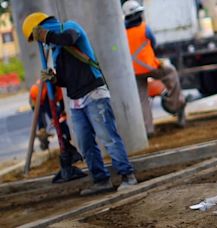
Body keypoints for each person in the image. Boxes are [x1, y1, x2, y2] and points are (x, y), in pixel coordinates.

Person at [22, 12, 138, 194]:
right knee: (85, 143)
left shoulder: (69, 27)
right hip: (76, 100)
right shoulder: (56, 50)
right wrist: (54, 79)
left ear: (43, 28)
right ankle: (101, 180)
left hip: (94, 93)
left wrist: (48, 35)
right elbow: (67, 79)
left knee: (108, 137)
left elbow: (69, 39)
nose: (42, 42)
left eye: (38, 36)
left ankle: (128, 176)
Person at [122, 0, 187, 136]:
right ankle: (174, 104)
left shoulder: (122, 33)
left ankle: (148, 129)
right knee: (171, 72)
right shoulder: (144, 28)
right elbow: (154, 43)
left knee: (142, 99)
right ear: (138, 15)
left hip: (134, 72)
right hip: (150, 67)